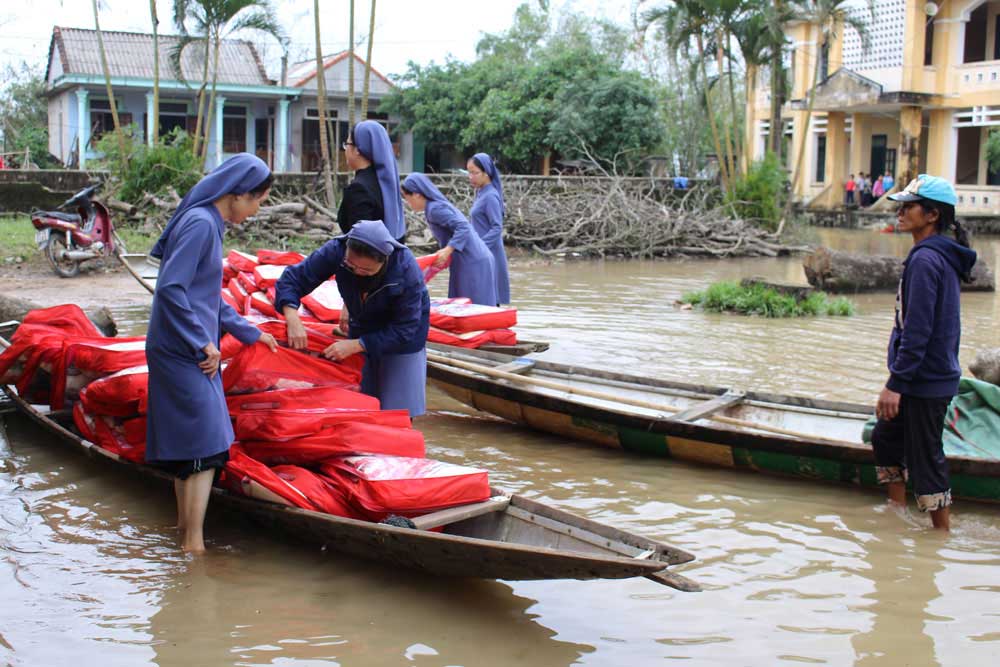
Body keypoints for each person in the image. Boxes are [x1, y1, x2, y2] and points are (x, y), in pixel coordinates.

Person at [145, 153, 279, 553]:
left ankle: (186, 537)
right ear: (237, 194)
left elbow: (206, 295)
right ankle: (194, 544)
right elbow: (171, 289)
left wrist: (248, 331)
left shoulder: (208, 223)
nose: (256, 211)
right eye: (257, 201)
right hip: (183, 349)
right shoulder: (202, 225)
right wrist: (202, 342)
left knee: (193, 443)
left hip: (186, 345)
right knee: (208, 441)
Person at [871, 174, 977, 531]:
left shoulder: (926, 261)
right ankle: (896, 510)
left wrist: (895, 384)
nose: (900, 213)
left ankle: (941, 535)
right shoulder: (934, 256)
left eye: (909, 207)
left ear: (931, 215)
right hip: (928, 375)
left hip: (923, 380)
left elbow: (918, 331)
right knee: (885, 437)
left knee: (925, 458)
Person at [274, 220, 430, 417]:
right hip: (362, 322)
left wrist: (358, 344)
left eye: (366, 271)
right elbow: (293, 279)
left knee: (397, 410)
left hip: (402, 337)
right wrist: (292, 318)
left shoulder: (406, 270)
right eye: (351, 267)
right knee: (361, 400)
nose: (358, 274)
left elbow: (405, 329)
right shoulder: (336, 250)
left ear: (384, 261)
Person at [401, 173, 498, 307]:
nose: (407, 202)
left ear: (417, 194)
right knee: (466, 305)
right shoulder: (434, 207)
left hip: (472, 261)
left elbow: (463, 227)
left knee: (473, 308)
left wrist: (448, 250)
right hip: (470, 258)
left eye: (407, 197)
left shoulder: (435, 209)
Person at [337, 120, 406, 242]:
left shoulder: (359, 189)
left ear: (358, 149)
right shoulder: (387, 185)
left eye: (346, 144)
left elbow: (361, 244)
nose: (345, 150)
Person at [467, 153, 511, 305]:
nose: (470, 177)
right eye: (469, 172)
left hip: (489, 253)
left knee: (490, 303)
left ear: (486, 173)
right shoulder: (480, 192)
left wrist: (479, 246)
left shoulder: (490, 195)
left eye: (474, 173)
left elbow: (497, 228)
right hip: (482, 253)